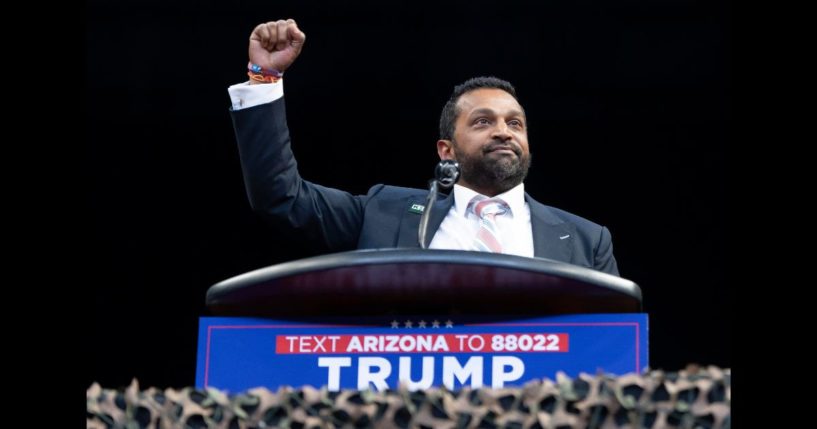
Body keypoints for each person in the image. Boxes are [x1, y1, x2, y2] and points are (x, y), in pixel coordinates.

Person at [227, 19, 619, 275]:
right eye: (483, 121)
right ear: (445, 150)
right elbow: (280, 195)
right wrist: (264, 78)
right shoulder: (384, 212)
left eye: (514, 123)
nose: (503, 131)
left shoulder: (585, 240)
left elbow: (612, 341)